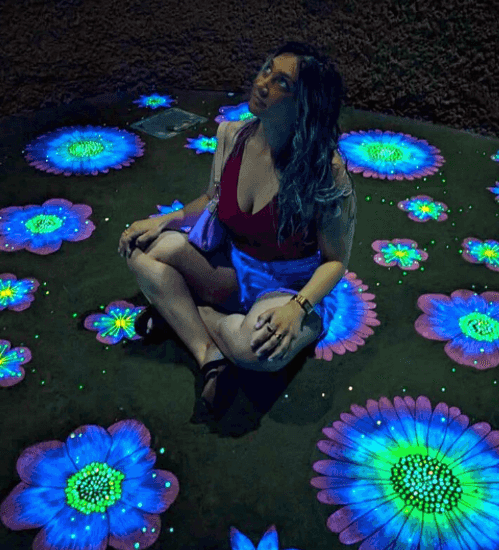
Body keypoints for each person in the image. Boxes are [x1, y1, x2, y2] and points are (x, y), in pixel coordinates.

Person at [118, 41, 357, 418]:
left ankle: (179, 314)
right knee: (140, 249)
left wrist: (297, 309)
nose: (262, 84)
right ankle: (208, 354)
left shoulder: (325, 168)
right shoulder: (231, 135)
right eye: (265, 70)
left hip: (288, 290)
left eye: (282, 83)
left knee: (257, 352)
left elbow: (335, 262)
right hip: (232, 268)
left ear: (305, 104)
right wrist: (164, 220)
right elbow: (212, 199)